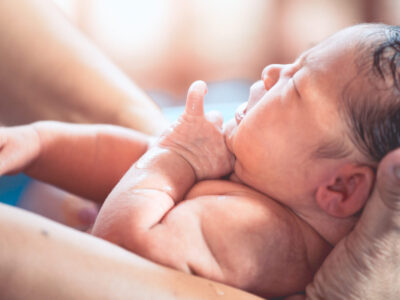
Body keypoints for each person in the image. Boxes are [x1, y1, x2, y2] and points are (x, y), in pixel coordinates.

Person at [0, 23, 399, 298]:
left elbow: (115, 256)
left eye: (295, 84)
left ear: (338, 188)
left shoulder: (261, 232)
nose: (273, 70)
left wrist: (173, 157)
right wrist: (37, 144)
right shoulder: (264, 182)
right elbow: (127, 158)